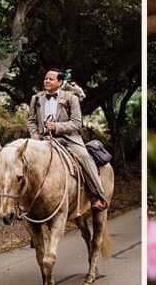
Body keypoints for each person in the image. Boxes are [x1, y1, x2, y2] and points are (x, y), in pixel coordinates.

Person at [27, 68, 107, 211]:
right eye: (46, 78)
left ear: (60, 82)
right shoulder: (36, 98)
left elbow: (77, 123)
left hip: (69, 138)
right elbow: (31, 121)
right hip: (42, 139)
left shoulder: (71, 98)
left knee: (84, 157)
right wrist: (35, 137)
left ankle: (98, 196)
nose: (47, 81)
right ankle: (21, 203)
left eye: (51, 79)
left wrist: (56, 126)